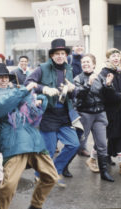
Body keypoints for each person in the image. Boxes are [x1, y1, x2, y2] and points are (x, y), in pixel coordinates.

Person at [0, 63, 58, 209]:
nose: (4, 80)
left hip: (34, 141)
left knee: (51, 177)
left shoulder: (16, 91)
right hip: (13, 144)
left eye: (6, 77)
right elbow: (2, 106)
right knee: (9, 185)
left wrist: (40, 101)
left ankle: (36, 205)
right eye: (0, 77)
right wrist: (25, 90)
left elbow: (33, 113)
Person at [25, 38, 80, 187]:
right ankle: (40, 174)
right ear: (51, 55)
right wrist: (43, 89)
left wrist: (73, 89)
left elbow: (73, 94)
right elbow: (27, 83)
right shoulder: (42, 68)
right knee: (48, 149)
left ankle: (55, 170)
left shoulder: (68, 69)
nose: (60, 56)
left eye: (62, 53)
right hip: (48, 114)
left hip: (64, 114)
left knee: (74, 144)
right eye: (57, 53)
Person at [74, 53, 114, 182]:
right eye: (83, 62)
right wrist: (88, 84)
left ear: (94, 64)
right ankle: (64, 168)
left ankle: (104, 172)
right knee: (77, 143)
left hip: (100, 114)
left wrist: (108, 85)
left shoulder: (101, 77)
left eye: (88, 62)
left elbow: (109, 97)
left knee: (102, 144)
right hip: (85, 114)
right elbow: (77, 97)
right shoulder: (78, 79)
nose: (85, 64)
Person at [100, 48, 121, 175]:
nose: (119, 60)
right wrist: (120, 94)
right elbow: (106, 92)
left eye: (118, 57)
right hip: (113, 108)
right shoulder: (107, 71)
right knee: (107, 136)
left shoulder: (120, 71)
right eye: (113, 56)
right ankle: (97, 159)